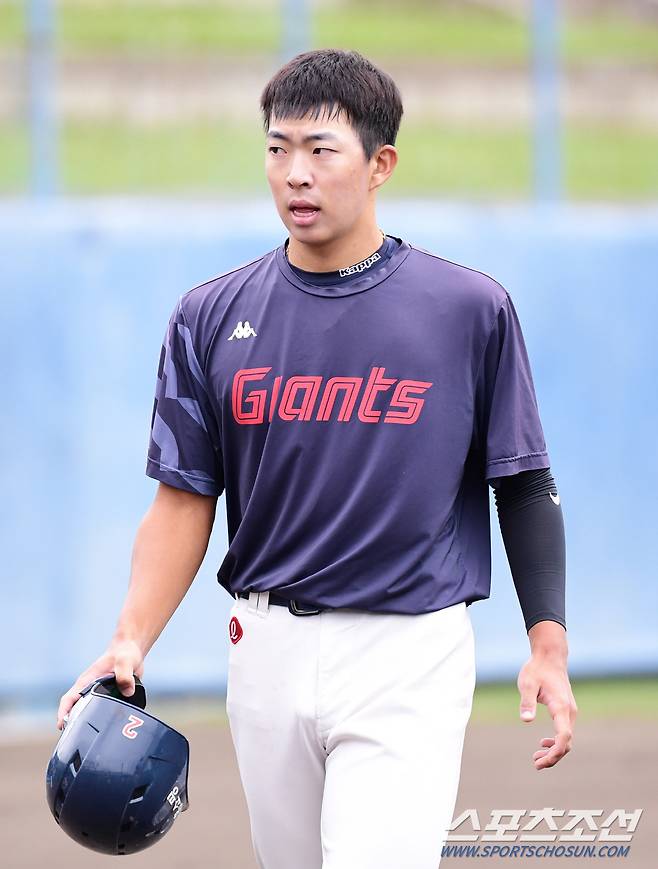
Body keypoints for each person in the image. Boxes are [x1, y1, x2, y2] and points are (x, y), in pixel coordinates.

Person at [57, 48, 577, 869]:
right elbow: (183, 500)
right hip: (262, 651)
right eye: (277, 148)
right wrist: (131, 637)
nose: (294, 172)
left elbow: (522, 480)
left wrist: (546, 641)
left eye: (320, 149)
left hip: (407, 650)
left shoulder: (467, 310)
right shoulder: (208, 316)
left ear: (380, 165)